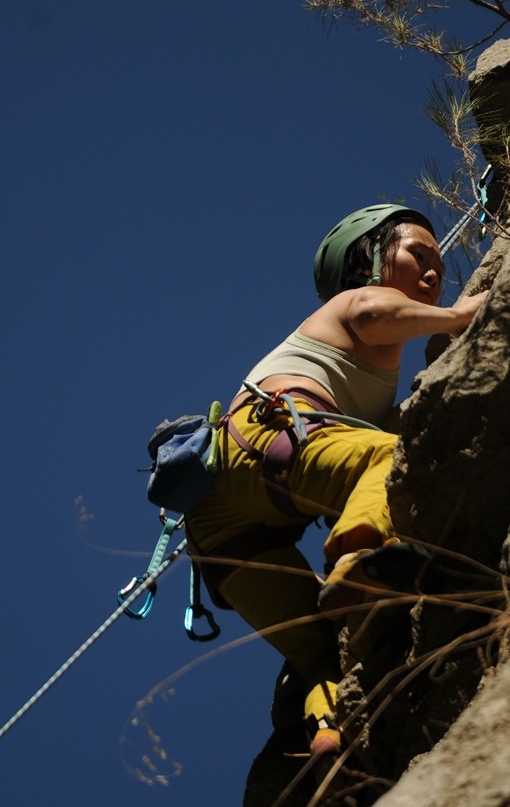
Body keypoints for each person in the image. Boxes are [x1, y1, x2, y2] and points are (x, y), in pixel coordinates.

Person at [185, 204, 487, 767]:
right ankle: (357, 559)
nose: (433, 273)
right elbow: (374, 312)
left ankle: (327, 732)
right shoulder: (350, 304)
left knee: (325, 651)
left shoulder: (370, 372)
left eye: (439, 265)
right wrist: (460, 316)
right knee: (391, 460)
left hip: (217, 525)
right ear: (368, 259)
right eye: (416, 254)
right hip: (271, 438)